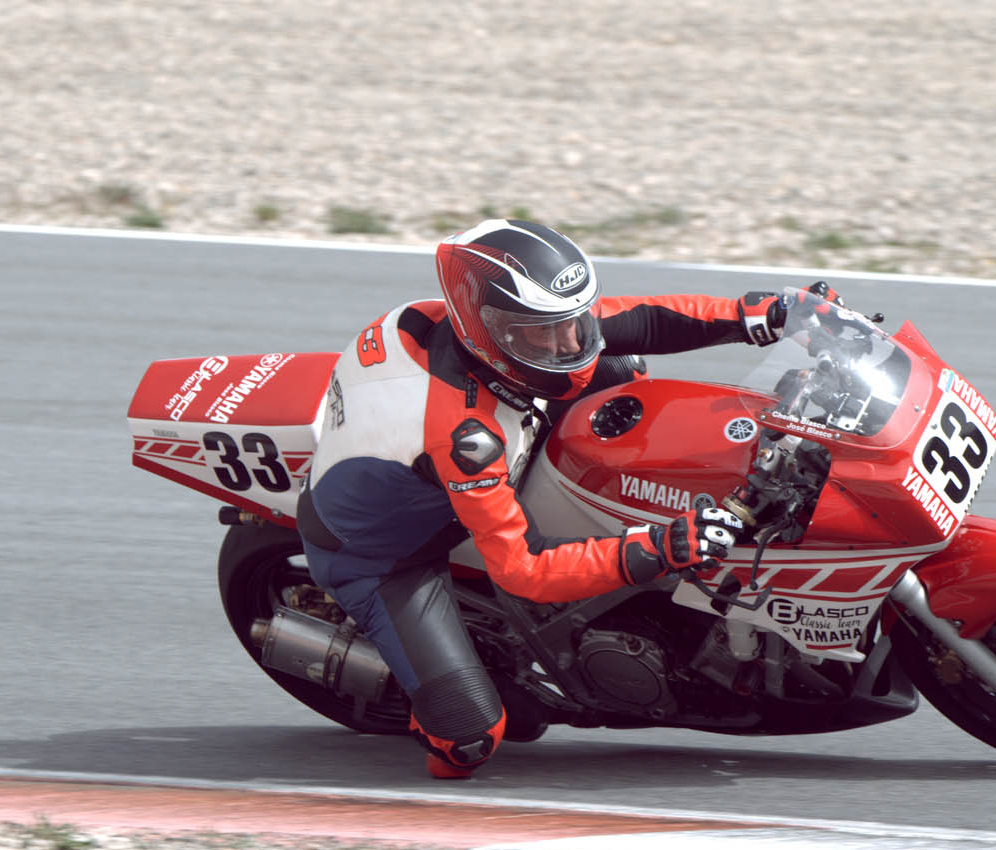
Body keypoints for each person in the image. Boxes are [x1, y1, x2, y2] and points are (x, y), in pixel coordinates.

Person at [297, 218, 807, 778]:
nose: (568, 344)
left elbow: (640, 319)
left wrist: (763, 314)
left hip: (430, 463)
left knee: (617, 366)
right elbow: (524, 571)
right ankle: (422, 696)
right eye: (544, 334)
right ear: (488, 331)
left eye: (572, 322)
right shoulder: (465, 437)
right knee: (469, 742)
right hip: (385, 558)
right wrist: (660, 547)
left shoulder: (498, 328)